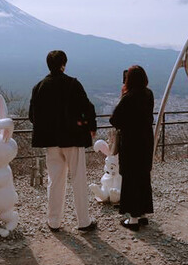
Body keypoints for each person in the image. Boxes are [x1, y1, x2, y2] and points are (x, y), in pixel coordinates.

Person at [29, 50, 98, 232]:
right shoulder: (72, 84)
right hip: (73, 138)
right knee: (78, 179)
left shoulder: (39, 87)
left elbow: (32, 116)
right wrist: (91, 126)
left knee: (55, 180)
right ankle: (83, 221)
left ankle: (54, 221)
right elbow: (87, 107)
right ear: (63, 64)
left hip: (51, 141)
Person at [109, 65, 154, 232]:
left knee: (131, 178)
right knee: (143, 176)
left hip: (131, 143)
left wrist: (123, 95)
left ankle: (133, 219)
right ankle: (143, 214)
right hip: (146, 142)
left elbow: (115, 120)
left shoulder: (128, 97)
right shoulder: (149, 94)